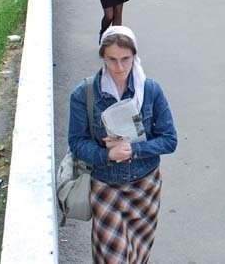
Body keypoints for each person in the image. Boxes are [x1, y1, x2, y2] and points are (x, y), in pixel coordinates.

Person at [67, 26, 177, 263]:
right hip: (106, 186)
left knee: (138, 256)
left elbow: (169, 140)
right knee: (112, 259)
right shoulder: (84, 93)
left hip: (145, 186)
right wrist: (106, 155)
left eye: (125, 59)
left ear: (134, 56)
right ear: (103, 58)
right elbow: (76, 142)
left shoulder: (150, 90)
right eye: (112, 60)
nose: (119, 67)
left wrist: (132, 150)